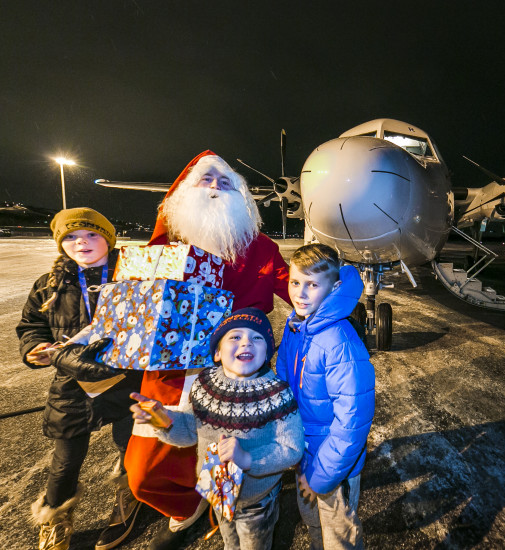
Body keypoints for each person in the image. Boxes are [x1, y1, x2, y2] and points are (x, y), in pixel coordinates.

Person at [124, 151, 291, 549]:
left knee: (226, 455)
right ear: (184, 192)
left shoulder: (261, 247)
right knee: (144, 470)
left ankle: (227, 507)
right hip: (170, 374)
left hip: (234, 369)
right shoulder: (164, 247)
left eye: (225, 181)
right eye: (207, 180)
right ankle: (186, 506)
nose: (216, 188)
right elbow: (136, 309)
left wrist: (336, 296)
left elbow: (295, 286)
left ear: (241, 196)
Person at [16, 208, 143, 550]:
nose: (81, 242)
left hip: (125, 380)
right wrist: (34, 347)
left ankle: (128, 501)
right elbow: (31, 327)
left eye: (91, 234)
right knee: (65, 461)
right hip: (71, 383)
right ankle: (55, 520)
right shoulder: (48, 284)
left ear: (109, 238)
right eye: (71, 237)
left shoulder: (136, 277)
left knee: (129, 447)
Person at [130, 308, 304, 550]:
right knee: (229, 540)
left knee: (254, 543)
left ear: (267, 354)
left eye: (257, 338)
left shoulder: (277, 393)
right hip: (217, 489)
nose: (246, 342)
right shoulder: (203, 384)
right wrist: (163, 421)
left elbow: (292, 448)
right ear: (216, 353)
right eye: (234, 337)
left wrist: (248, 459)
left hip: (256, 500)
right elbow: (191, 430)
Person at [275, 243, 375, 550]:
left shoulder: (339, 342)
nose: (300, 294)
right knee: (314, 524)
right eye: (295, 282)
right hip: (303, 454)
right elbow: (282, 388)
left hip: (333, 466)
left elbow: (352, 425)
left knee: (339, 536)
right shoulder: (295, 328)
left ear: (334, 287)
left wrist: (321, 477)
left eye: (312, 285)